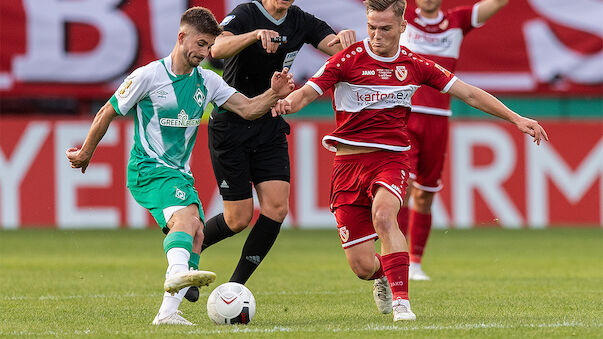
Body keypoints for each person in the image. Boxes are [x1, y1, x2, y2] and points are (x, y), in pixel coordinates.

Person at [270, 0, 547, 321]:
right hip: (348, 167)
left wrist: (515, 118)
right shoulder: (348, 58)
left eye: (385, 29)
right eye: (371, 27)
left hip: (391, 160)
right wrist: (287, 102)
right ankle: (386, 275)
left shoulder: (415, 64)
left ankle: (402, 304)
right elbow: (307, 92)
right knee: (362, 266)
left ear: (403, 28)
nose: (376, 35)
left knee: (385, 216)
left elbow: (469, 93)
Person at [65, 7, 294, 325]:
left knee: (198, 233)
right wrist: (86, 152)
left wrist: (274, 94)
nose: (204, 53)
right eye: (200, 44)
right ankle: (177, 273)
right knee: (187, 221)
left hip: (178, 173)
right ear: (181, 37)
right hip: (148, 169)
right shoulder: (149, 76)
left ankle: (167, 313)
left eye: (209, 47)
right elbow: (108, 111)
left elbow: (248, 108)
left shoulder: (208, 82)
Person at [197, 0, 357, 291]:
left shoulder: (300, 20)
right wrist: (255, 35)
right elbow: (216, 49)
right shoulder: (246, 13)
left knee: (276, 208)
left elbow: (341, 52)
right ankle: (187, 257)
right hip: (232, 125)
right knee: (238, 218)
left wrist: (347, 39)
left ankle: (235, 289)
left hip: (269, 123)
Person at [399, 0, 508, 281]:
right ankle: (395, 261)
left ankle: (416, 263)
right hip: (406, 114)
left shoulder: (458, 20)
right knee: (403, 190)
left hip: (438, 118)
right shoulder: (402, 15)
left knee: (425, 194)